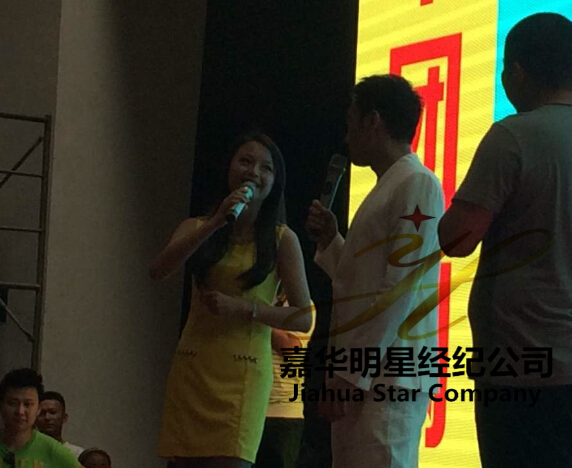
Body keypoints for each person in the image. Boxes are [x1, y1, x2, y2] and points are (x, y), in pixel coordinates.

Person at [438, 13, 572, 468]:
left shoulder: (512, 136)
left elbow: (456, 239)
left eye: (504, 70)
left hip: (526, 370)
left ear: (517, 72)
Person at [305, 75, 444, 468]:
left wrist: (351, 374)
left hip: (387, 378)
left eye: (351, 121)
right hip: (370, 376)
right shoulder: (389, 185)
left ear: (373, 121)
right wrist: (333, 241)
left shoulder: (416, 183)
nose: (346, 134)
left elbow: (398, 289)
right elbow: (363, 281)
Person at [151, 131, 313, 468]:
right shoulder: (196, 226)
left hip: (244, 372)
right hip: (194, 366)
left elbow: (303, 317)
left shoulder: (283, 239)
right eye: (245, 161)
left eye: (266, 168)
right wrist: (215, 222)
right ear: (229, 168)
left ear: (275, 183)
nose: (254, 172)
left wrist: (244, 308)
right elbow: (157, 270)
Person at [255, 287, 315, 468]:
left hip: (281, 412)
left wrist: (256, 315)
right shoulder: (252, 299)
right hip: (245, 405)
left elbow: (292, 350)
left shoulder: (301, 305)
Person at [0, 368, 80, 468]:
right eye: (13, 403)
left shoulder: (52, 450)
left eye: (28, 404)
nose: (20, 411)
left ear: (38, 409)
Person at [36, 391, 84, 457]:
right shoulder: (27, 453)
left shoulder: (77, 454)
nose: (47, 417)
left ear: (64, 418)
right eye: (42, 413)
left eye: (52, 412)